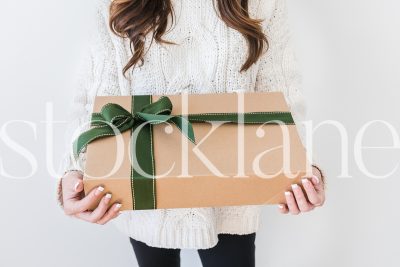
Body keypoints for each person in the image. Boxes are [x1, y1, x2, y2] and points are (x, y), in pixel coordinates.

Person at [57, 0, 326, 266]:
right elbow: (93, 101)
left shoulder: (262, 5)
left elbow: (283, 94)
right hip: (144, 199)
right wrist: (76, 170)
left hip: (233, 199)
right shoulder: (116, 5)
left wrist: (303, 166)